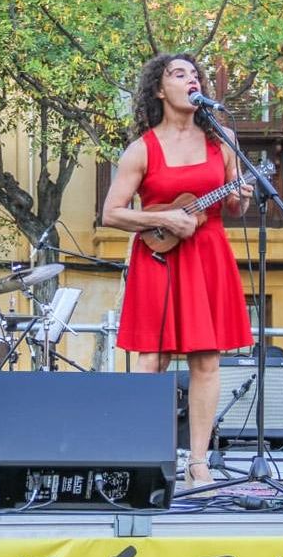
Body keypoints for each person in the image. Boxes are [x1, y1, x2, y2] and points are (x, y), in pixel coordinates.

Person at [102, 53, 254, 489]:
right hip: (159, 258)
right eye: (179, 74)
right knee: (152, 358)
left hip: (208, 255)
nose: (191, 80)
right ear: (158, 89)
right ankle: (144, 454)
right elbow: (111, 213)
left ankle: (199, 462)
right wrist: (161, 219)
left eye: (196, 74)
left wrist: (240, 196)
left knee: (207, 360)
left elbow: (234, 205)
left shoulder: (221, 140)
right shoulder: (142, 148)